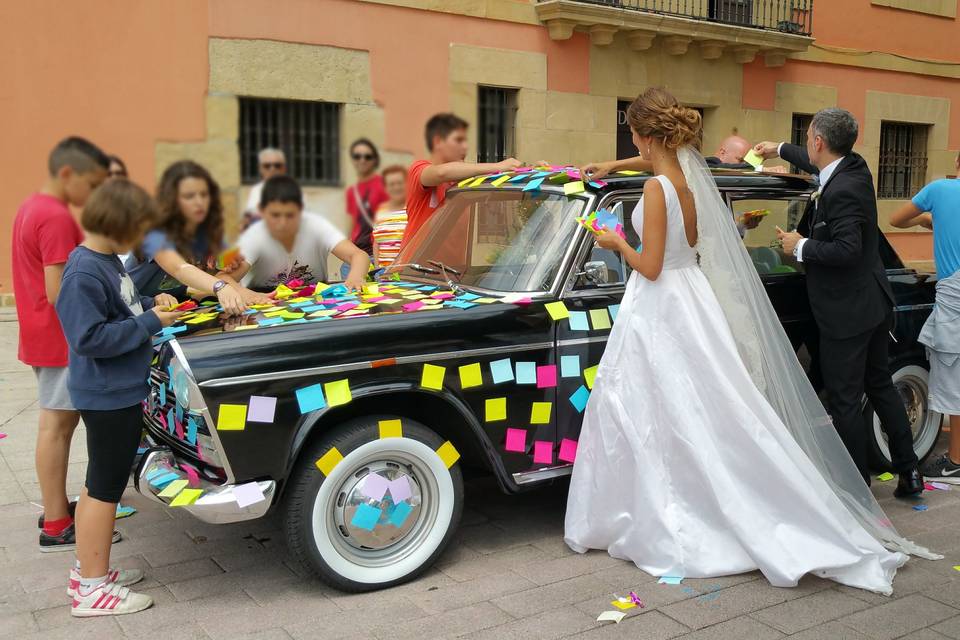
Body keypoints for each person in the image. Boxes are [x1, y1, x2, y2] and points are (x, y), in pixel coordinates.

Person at [565, 87, 937, 597]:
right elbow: (688, 245)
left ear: (646, 134)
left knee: (652, 404)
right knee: (696, 405)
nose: (632, 140)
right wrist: (611, 164)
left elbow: (650, 266)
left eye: (632, 132)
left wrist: (615, 242)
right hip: (688, 297)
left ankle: (657, 506)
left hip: (659, 302)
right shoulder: (686, 181)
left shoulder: (656, 189)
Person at [756, 111, 924, 494]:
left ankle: (856, 491)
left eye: (809, 137)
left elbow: (848, 249)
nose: (808, 144)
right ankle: (910, 472)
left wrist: (799, 245)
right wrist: (779, 149)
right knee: (880, 385)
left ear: (818, 141)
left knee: (845, 400)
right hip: (871, 304)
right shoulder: (855, 167)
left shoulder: (843, 188)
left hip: (846, 313)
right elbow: (814, 161)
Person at [56, 179, 182, 616]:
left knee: (102, 483)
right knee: (104, 488)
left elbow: (124, 307)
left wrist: (151, 301)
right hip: (105, 394)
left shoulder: (108, 261)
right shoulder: (83, 271)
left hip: (121, 390)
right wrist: (148, 322)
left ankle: (92, 570)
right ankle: (91, 590)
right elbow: (89, 337)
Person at [11, 136, 121, 552]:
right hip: (61, 337)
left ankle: (57, 509)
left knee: (56, 424)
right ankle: (57, 520)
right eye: (91, 185)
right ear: (67, 175)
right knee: (56, 426)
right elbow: (62, 292)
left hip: (43, 332)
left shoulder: (31, 206)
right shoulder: (55, 216)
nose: (92, 196)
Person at [890, 153, 960, 482]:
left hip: (955, 295)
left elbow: (896, 219)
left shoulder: (940, 190)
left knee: (952, 372)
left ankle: (956, 461)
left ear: (957, 164)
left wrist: (925, 220)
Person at [125, 160, 262, 313]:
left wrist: (232, 263)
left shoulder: (206, 231)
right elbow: (179, 269)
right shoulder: (154, 232)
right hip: (133, 314)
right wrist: (221, 287)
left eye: (204, 194)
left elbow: (222, 275)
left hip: (177, 312)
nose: (199, 202)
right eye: (189, 196)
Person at [403, 113, 521, 246]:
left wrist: (535, 170)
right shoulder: (419, 169)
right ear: (438, 142)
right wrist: (498, 165)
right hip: (415, 265)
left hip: (453, 266)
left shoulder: (465, 180)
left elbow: (505, 182)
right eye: (458, 140)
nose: (465, 147)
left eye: (465, 141)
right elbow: (441, 173)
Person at [238, 175, 369, 291]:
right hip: (263, 307)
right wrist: (245, 294)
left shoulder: (317, 226)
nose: (283, 223)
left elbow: (358, 255)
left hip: (315, 307)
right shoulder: (253, 236)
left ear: (301, 210)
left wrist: (356, 277)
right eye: (275, 215)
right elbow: (225, 278)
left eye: (290, 215)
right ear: (261, 210)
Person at [343, 139, 389, 277]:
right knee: (351, 297)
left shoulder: (383, 185)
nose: (362, 160)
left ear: (375, 160)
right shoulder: (352, 191)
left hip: (374, 255)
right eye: (357, 156)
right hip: (354, 257)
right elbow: (352, 224)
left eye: (367, 156)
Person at [372, 165, 408, 269]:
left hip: (404, 272)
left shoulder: (411, 209)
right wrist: (377, 267)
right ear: (386, 187)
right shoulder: (380, 210)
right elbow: (376, 242)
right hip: (382, 273)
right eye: (392, 184)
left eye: (399, 183)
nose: (396, 187)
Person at [242, 148, 286, 229]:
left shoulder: (295, 190)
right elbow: (249, 217)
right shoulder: (256, 190)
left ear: (284, 168)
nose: (272, 169)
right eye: (267, 166)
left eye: (277, 166)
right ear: (260, 169)